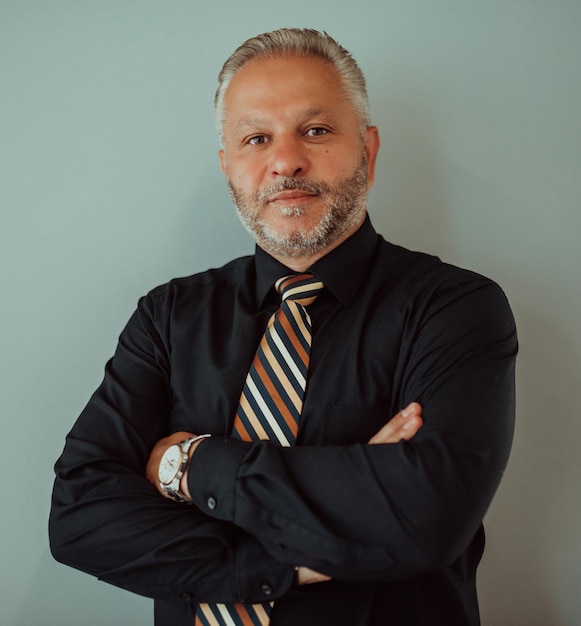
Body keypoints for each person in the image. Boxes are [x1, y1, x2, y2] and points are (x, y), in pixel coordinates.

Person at [49, 28, 517, 626]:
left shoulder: (454, 308)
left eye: (316, 131)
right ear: (229, 166)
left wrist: (190, 465)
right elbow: (79, 515)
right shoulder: (169, 317)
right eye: (256, 138)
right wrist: (286, 559)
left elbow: (425, 517)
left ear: (368, 151)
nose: (286, 159)